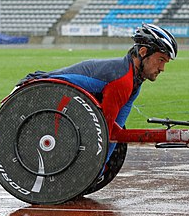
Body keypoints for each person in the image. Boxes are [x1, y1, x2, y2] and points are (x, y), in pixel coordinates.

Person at [16, 23, 178, 185]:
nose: (162, 68)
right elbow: (103, 132)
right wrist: (91, 174)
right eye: (161, 60)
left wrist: (98, 172)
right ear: (143, 53)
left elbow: (115, 130)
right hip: (41, 91)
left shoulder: (134, 81)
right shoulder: (123, 80)